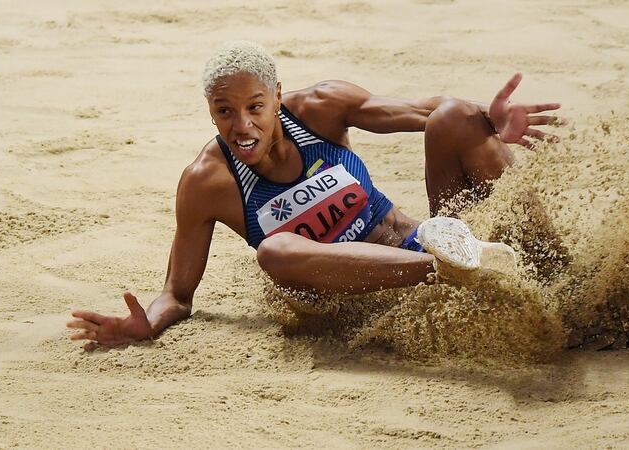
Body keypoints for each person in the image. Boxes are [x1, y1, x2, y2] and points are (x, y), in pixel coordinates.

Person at [67, 41, 562, 350]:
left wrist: (490, 120)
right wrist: (146, 325)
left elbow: (428, 108)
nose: (243, 126)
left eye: (255, 107)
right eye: (224, 112)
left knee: (455, 115)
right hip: (375, 297)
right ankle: (452, 270)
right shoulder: (206, 182)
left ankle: (558, 272)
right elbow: (177, 293)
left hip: (430, 238)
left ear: (278, 96)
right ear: (210, 111)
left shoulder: (321, 109)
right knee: (274, 250)